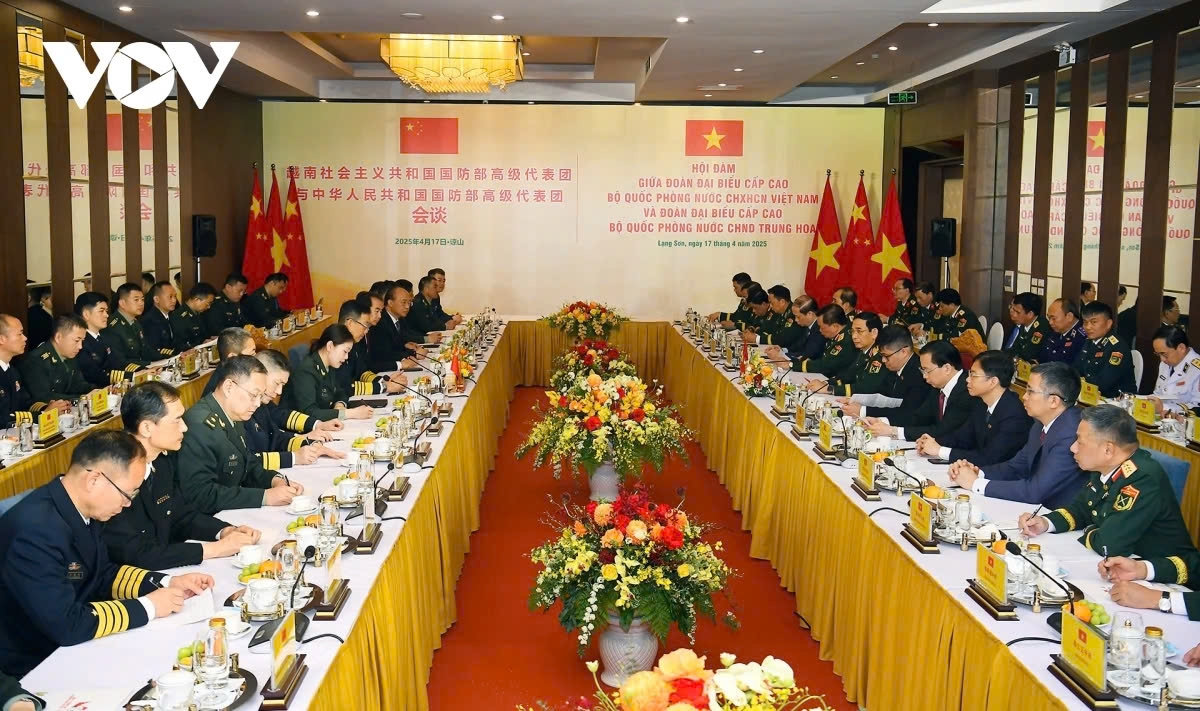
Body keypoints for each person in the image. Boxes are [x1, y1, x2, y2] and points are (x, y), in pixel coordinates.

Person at [0, 430, 214, 677]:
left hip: (76, 643)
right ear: (94, 480)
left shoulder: (78, 507)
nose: (128, 504)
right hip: (36, 664)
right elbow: (67, 624)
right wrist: (149, 607)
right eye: (128, 494)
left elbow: (102, 573)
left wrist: (166, 582)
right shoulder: (34, 532)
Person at [102, 382, 261, 569]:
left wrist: (224, 531)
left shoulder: (162, 461)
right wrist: (215, 549)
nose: (185, 427)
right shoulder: (115, 474)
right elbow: (137, 553)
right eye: (177, 420)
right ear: (146, 428)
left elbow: (181, 516)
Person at [1018, 404, 1195, 562]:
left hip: (1157, 573)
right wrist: (1045, 522)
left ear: (1108, 450)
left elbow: (1108, 545)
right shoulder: (1105, 467)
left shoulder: (1142, 478)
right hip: (1122, 564)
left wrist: (1089, 529)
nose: (1073, 448)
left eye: (1080, 441)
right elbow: (1081, 509)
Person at [948, 361, 1085, 507]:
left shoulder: (1071, 434)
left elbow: (1035, 492)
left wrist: (975, 484)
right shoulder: (1040, 423)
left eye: (1030, 392)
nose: (1024, 396)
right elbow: (1016, 467)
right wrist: (977, 472)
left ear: (1053, 401)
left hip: (1058, 513)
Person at [178, 356, 304, 513]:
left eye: (260, 396)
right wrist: (264, 497)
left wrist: (275, 480)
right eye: (253, 395)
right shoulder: (199, 426)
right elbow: (202, 495)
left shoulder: (232, 413)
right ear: (229, 387)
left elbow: (247, 463)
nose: (257, 404)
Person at [915, 350, 1032, 465]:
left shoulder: (1014, 416)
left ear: (993, 381)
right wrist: (933, 442)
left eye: (973, 375)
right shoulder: (981, 404)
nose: (967, 379)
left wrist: (940, 451)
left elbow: (989, 458)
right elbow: (962, 437)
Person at [246, 350, 343, 470]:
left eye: (282, 385)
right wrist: (293, 457)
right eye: (277, 383)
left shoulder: (261, 405)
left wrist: (308, 444)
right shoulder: (243, 410)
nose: (279, 392)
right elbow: (247, 462)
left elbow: (275, 437)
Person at [863, 340, 971, 440]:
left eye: (927, 370)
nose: (924, 376)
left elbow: (943, 431)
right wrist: (882, 421)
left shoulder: (967, 391)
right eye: (922, 370)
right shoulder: (938, 387)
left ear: (947, 368)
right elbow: (918, 418)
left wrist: (894, 431)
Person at [282, 326, 375, 422]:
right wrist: (350, 413)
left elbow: (340, 392)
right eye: (345, 351)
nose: (346, 357)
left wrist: (340, 404)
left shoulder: (329, 366)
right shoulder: (306, 371)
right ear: (330, 346)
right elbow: (309, 412)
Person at [838, 325, 929, 419]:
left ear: (903, 352)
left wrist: (863, 410)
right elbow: (882, 395)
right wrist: (857, 400)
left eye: (886, 356)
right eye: (882, 356)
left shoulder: (919, 374)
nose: (883, 360)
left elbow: (907, 411)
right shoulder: (896, 366)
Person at [74, 292, 145, 388]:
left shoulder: (105, 337)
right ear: (86, 314)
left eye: (106, 311)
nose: (106, 315)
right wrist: (133, 376)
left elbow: (118, 363)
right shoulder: (80, 342)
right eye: (101, 311)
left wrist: (143, 370)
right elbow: (96, 375)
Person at [807, 312, 887, 396]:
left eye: (859, 331)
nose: (854, 336)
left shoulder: (880, 356)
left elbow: (866, 388)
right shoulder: (864, 351)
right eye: (853, 331)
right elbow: (848, 376)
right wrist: (825, 383)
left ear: (874, 333)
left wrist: (830, 389)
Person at [339, 298, 405, 398]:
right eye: (364, 325)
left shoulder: (353, 343)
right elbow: (346, 386)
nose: (366, 331)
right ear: (350, 323)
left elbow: (362, 373)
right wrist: (384, 387)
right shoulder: (336, 346)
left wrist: (383, 380)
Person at [21, 315, 93, 404]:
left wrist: (97, 391)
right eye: (76, 341)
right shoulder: (35, 360)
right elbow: (44, 397)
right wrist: (83, 398)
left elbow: (77, 385)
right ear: (58, 337)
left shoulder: (69, 354)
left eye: (82, 340)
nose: (80, 346)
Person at [1073, 301, 1136, 397]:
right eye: (1085, 322)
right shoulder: (1089, 342)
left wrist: (1081, 382)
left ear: (1108, 324)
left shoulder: (1117, 347)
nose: (1088, 327)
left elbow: (1104, 383)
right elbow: (1076, 369)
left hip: (1116, 398)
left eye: (1094, 322)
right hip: (1092, 395)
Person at [103, 283, 170, 366]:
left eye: (142, 299)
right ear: (122, 303)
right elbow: (120, 361)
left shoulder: (135, 322)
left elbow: (145, 349)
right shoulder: (113, 326)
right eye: (136, 300)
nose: (141, 303)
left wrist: (167, 359)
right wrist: (149, 364)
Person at [369, 286, 424, 372]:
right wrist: (413, 354)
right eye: (403, 302)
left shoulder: (400, 319)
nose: (407, 306)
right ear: (390, 303)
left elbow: (396, 345)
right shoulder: (380, 322)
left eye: (409, 303)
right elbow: (383, 354)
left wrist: (406, 345)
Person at [0, 314, 42, 428]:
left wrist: (46, 408)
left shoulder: (12, 371)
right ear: (1, 339)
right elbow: (3, 418)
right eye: (19, 334)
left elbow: (25, 402)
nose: (25, 338)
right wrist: (39, 416)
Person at [1148, 326, 1200, 414]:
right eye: (1158, 354)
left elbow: (1197, 408)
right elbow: (1158, 394)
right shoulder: (1165, 364)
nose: (1162, 359)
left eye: (1164, 354)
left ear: (1181, 348)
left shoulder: (1196, 369)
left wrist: (1164, 408)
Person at [793, 304, 855, 375]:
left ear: (835, 326)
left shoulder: (846, 341)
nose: (820, 330)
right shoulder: (834, 336)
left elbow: (826, 365)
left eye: (822, 327)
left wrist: (794, 365)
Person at [761, 296, 824, 363]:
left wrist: (782, 356)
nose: (796, 320)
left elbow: (807, 355)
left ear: (809, 314)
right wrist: (782, 350)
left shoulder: (820, 330)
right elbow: (799, 346)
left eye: (798, 316)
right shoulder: (807, 326)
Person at [170, 282, 217, 350]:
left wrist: (211, 338)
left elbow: (203, 335)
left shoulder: (200, 313)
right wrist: (201, 343)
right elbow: (180, 344)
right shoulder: (179, 316)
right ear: (197, 300)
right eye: (208, 304)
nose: (209, 307)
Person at [1004, 292, 1048, 363]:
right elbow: (1015, 348)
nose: (1011, 313)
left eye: (1017, 312)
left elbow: (1029, 354)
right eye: (1011, 307)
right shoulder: (1023, 323)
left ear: (1030, 314)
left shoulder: (1042, 327)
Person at [139, 282, 180, 357]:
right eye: (170, 297)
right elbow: (155, 349)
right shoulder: (150, 321)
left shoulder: (171, 316)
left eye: (175, 296)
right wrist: (177, 354)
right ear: (156, 299)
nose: (174, 300)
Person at [1041, 298, 1087, 364]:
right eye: (1049, 318)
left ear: (1069, 316)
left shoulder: (1082, 336)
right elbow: (1044, 356)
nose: (1050, 322)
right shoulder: (1055, 332)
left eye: (1054, 318)